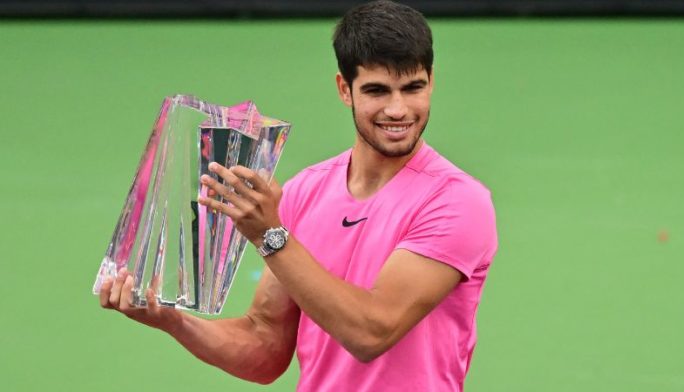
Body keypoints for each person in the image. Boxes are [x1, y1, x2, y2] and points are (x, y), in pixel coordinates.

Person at [99, 1, 498, 391]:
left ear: (431, 81)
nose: (398, 109)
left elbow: (372, 331)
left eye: (413, 88)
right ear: (345, 89)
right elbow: (266, 345)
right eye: (377, 90)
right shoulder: (306, 190)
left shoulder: (457, 202)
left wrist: (270, 235)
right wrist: (175, 321)